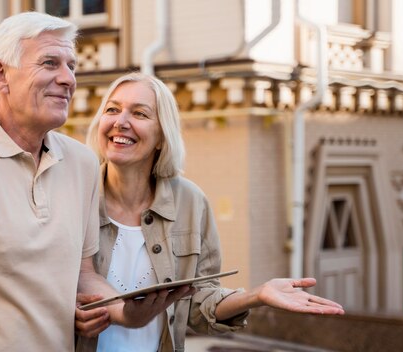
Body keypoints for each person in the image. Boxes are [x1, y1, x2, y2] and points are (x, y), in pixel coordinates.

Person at [0, 13, 192, 351]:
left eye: (71, 66)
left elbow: (84, 276)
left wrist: (126, 311)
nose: (68, 79)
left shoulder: (83, 164)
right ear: (1, 75)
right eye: (50, 63)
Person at [74, 72, 345, 352]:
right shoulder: (75, 194)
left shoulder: (190, 202)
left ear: (161, 136)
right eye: (112, 110)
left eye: (140, 114)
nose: (121, 122)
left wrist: (257, 295)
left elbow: (200, 304)